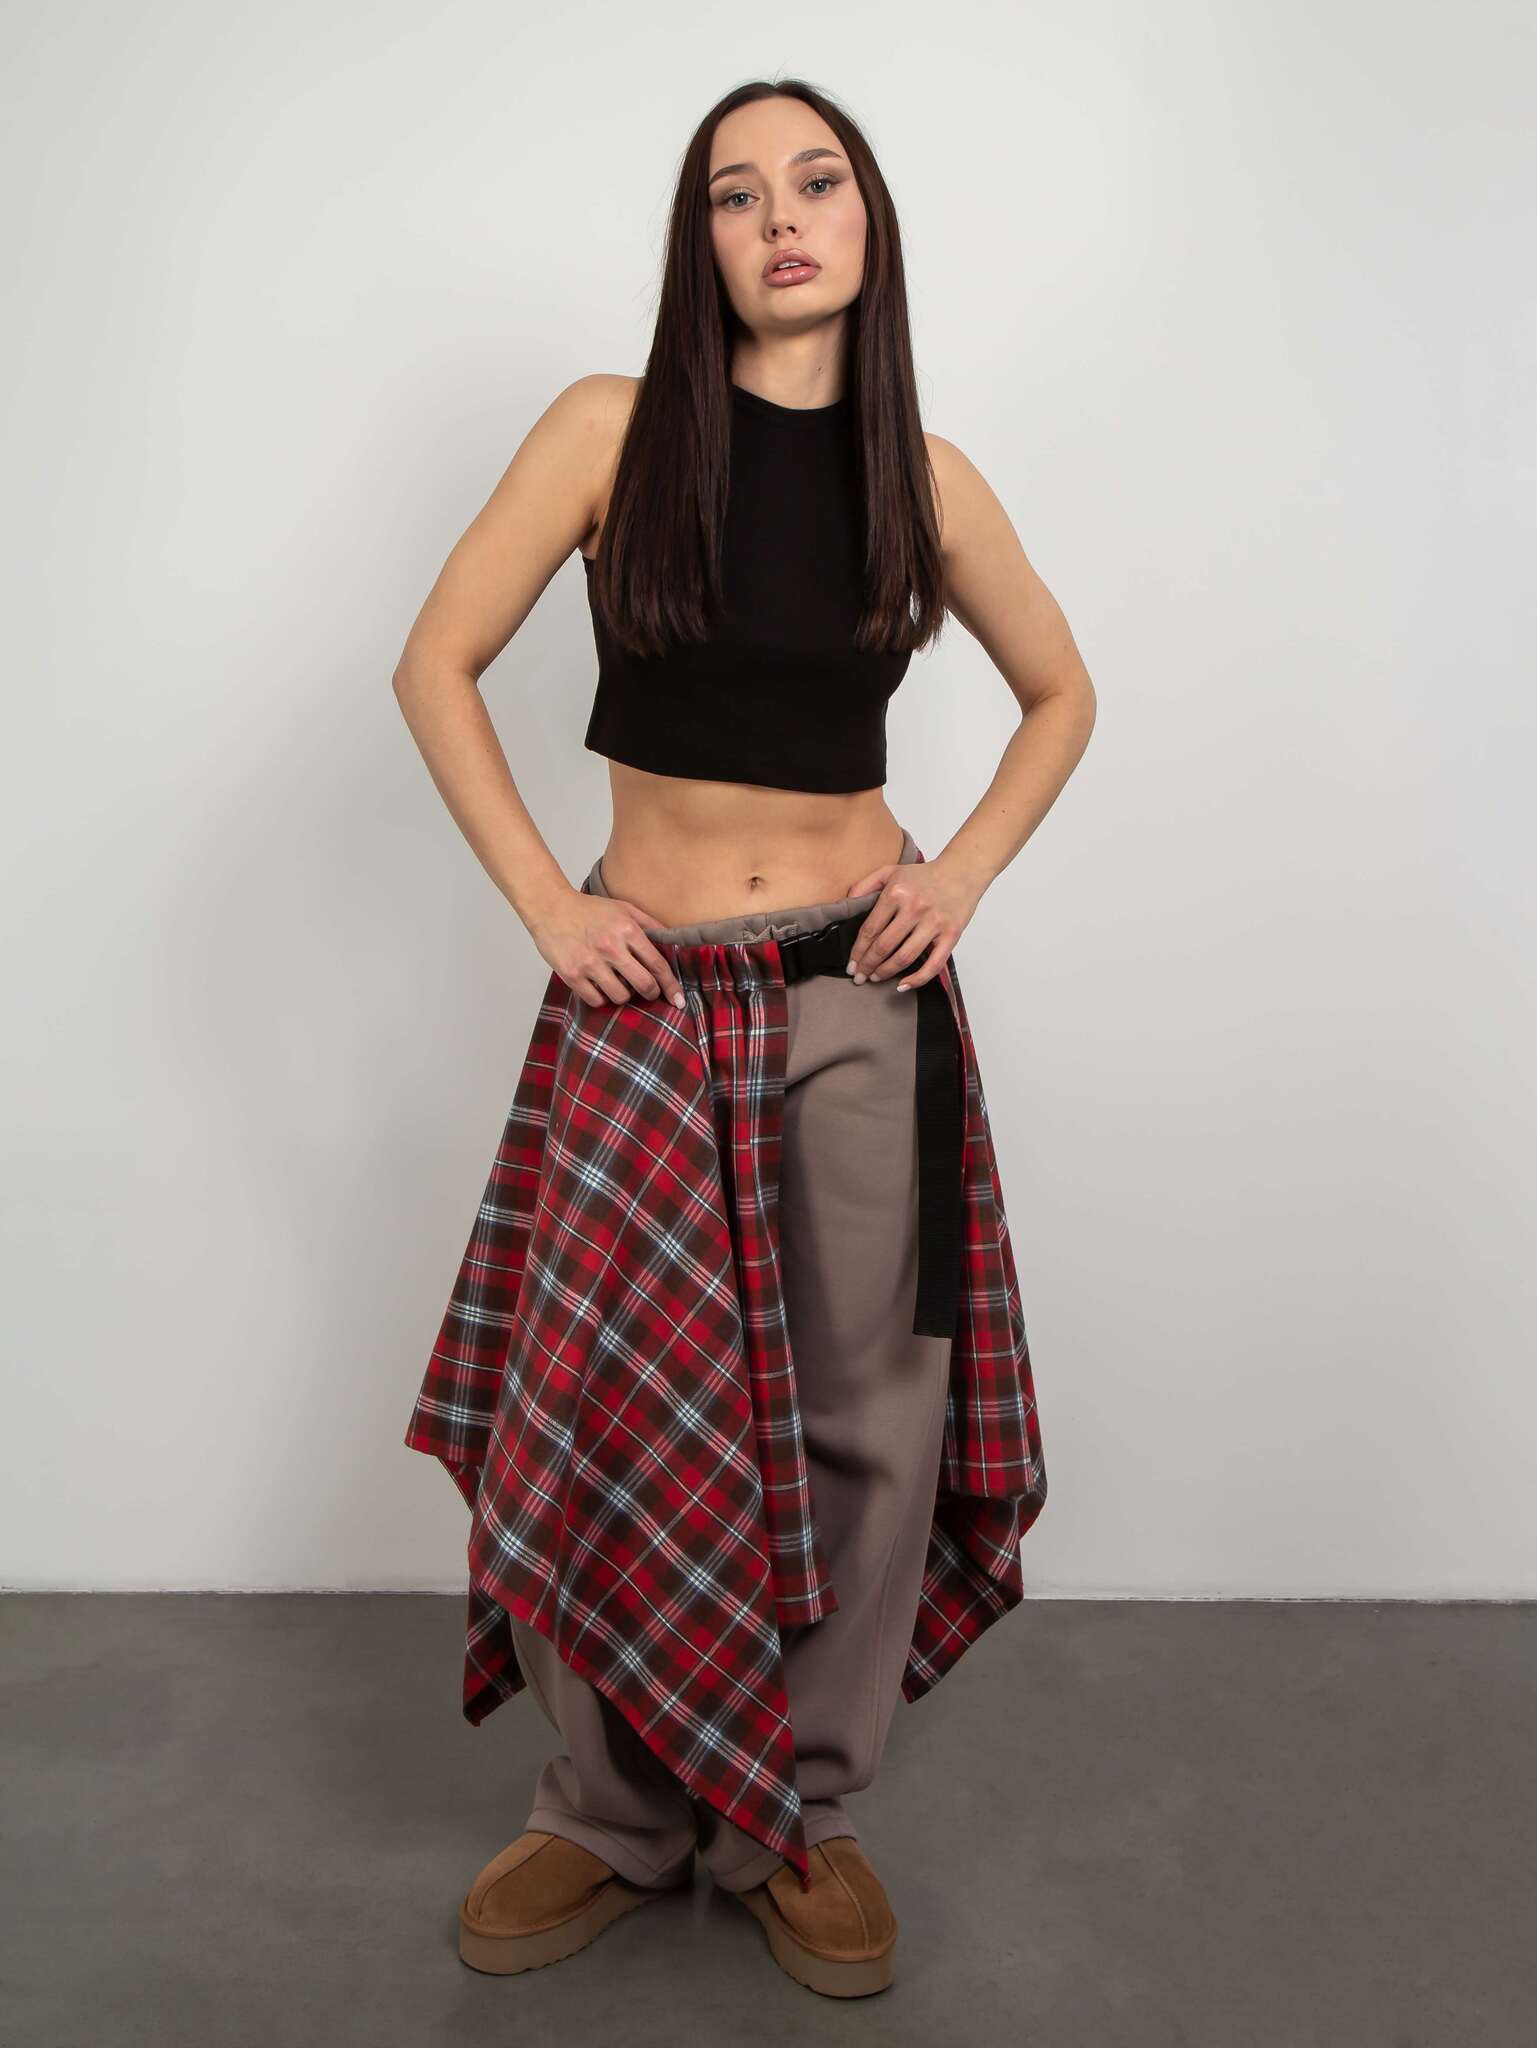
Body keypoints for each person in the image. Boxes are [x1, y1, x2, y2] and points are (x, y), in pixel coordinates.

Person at [394, 77, 1096, 1999]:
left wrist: (961, 876)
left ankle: (803, 1808)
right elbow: (432, 662)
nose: (780, 217)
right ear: (696, 239)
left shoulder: (924, 477)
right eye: (734, 193)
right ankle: (608, 1815)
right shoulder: (604, 432)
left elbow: (1060, 692)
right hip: (644, 1001)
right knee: (613, 1400)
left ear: (867, 222)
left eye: (816, 180)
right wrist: (551, 908)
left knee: (870, 1416)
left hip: (864, 994)